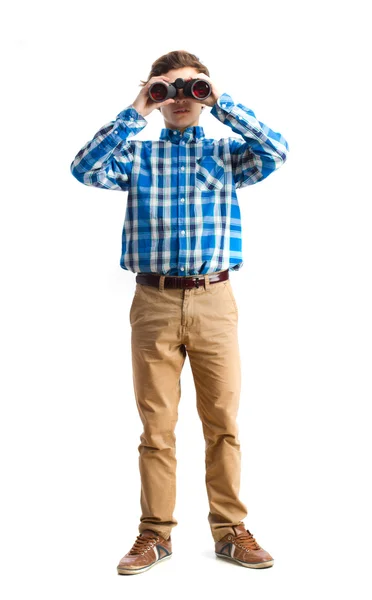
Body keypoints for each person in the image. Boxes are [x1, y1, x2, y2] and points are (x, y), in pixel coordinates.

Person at [70, 49, 289, 575]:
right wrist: (137, 109)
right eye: (168, 88)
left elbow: (276, 151)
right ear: (153, 92)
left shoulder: (226, 152)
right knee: (157, 427)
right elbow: (83, 168)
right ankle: (155, 535)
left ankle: (231, 531)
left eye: (191, 87)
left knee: (223, 423)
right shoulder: (137, 157)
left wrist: (221, 101)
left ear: (205, 91)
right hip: (154, 302)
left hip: (215, 300)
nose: (180, 98)